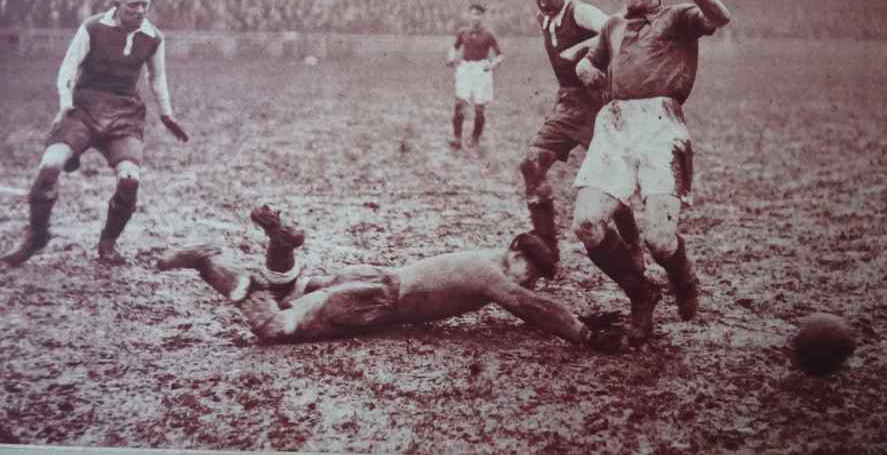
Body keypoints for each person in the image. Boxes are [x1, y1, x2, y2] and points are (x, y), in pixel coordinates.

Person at [156, 206, 624, 351]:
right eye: (531, 272)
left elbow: (531, 305)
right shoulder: (490, 272)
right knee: (275, 326)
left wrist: (579, 318)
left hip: (377, 282)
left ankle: (281, 244)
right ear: (515, 253)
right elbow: (529, 307)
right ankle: (211, 260)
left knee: (289, 291)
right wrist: (581, 333)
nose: (531, 282)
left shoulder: (489, 261)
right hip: (376, 296)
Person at [573, 0, 731, 345]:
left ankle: (682, 275)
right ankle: (641, 294)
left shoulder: (677, 17)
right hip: (615, 124)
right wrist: (585, 70)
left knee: (660, 240)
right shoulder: (612, 25)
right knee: (587, 224)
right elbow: (590, 63)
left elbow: (720, 17)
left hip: (661, 124)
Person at [1, 0, 189, 267]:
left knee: (130, 180)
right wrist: (65, 104)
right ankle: (36, 236)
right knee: (50, 166)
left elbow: (157, 78)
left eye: (145, 5)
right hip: (84, 108)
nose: (140, 10)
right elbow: (69, 66)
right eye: (133, 5)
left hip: (124, 113)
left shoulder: (153, 37)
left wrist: (167, 114)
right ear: (117, 4)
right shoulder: (92, 27)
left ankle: (108, 242)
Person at [520, 0, 642, 269]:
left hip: (597, 103)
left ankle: (633, 246)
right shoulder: (544, 18)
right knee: (531, 164)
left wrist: (580, 50)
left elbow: (617, 28)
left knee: (608, 181)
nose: (544, 3)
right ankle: (547, 248)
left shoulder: (580, 11)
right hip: (568, 102)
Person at [446, 3, 503, 149]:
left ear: (483, 17)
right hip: (466, 69)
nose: (476, 17)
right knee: (459, 104)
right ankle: (457, 138)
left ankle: (475, 139)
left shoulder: (488, 34)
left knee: (479, 109)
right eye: (473, 14)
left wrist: (492, 65)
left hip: (481, 71)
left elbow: (499, 55)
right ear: (469, 15)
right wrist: (451, 57)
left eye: (479, 14)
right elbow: (454, 47)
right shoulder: (463, 32)